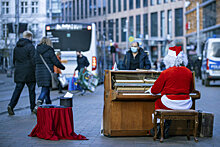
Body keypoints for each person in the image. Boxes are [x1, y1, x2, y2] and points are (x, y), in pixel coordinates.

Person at [149, 46, 194, 138]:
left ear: (168, 59)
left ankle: (159, 129)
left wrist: (150, 90)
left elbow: (155, 90)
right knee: (164, 103)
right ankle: (167, 128)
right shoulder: (189, 72)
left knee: (158, 103)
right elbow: (191, 89)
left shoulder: (166, 72)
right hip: (186, 103)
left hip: (170, 102)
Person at [33, 37, 65, 114]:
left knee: (46, 89)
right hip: (47, 72)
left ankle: (48, 104)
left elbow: (34, 60)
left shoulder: (37, 50)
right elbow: (55, 61)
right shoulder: (49, 50)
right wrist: (62, 67)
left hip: (38, 72)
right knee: (44, 90)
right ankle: (38, 104)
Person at [7, 31, 36, 115]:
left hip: (19, 72)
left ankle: (11, 105)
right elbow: (33, 60)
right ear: (29, 37)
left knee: (18, 89)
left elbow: (13, 60)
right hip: (29, 72)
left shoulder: (16, 47)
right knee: (31, 90)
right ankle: (33, 107)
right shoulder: (30, 46)